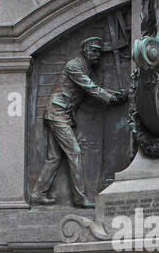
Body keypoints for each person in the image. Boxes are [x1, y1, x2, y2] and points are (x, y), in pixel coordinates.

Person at [29, 37, 127, 208]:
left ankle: (38, 193)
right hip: (58, 113)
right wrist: (110, 98)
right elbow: (90, 87)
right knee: (74, 152)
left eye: (99, 51)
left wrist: (117, 94)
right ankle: (80, 198)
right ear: (85, 50)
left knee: (54, 157)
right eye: (95, 51)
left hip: (61, 114)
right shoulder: (74, 66)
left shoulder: (86, 68)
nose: (98, 55)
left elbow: (96, 86)